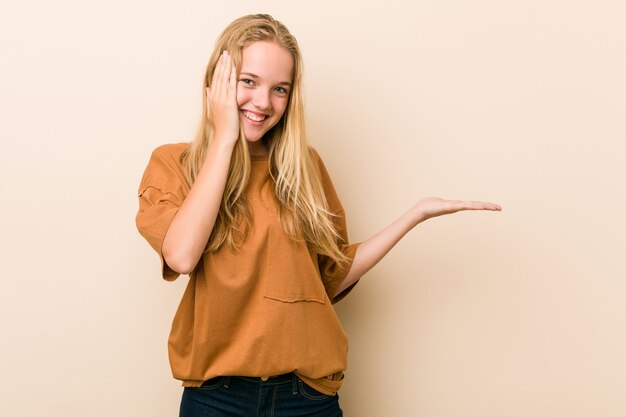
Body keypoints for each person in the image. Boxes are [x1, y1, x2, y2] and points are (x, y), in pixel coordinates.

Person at [136, 13, 501, 417]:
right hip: (216, 398)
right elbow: (182, 255)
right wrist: (224, 138)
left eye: (279, 89)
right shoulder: (174, 163)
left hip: (305, 399)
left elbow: (325, 279)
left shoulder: (304, 167)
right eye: (248, 82)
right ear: (218, 83)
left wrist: (413, 216)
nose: (263, 102)